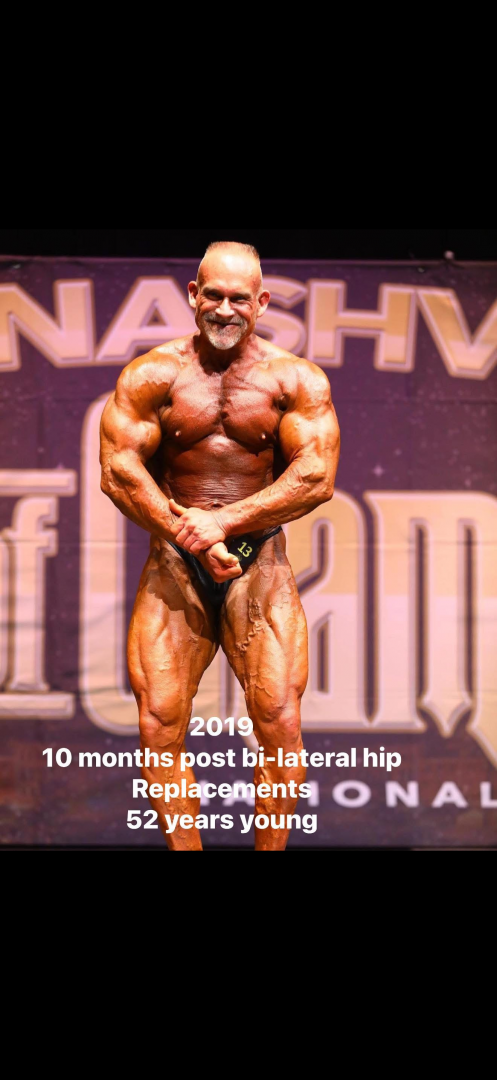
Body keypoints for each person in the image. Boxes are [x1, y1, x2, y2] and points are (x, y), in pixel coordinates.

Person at [100, 241, 340, 851]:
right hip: (174, 563)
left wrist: (225, 523)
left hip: (261, 564)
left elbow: (316, 476)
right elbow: (119, 472)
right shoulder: (153, 375)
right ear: (193, 295)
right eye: (213, 295)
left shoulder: (294, 379)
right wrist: (190, 532)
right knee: (159, 724)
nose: (225, 309)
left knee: (280, 721)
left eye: (239, 298)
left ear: (262, 302)